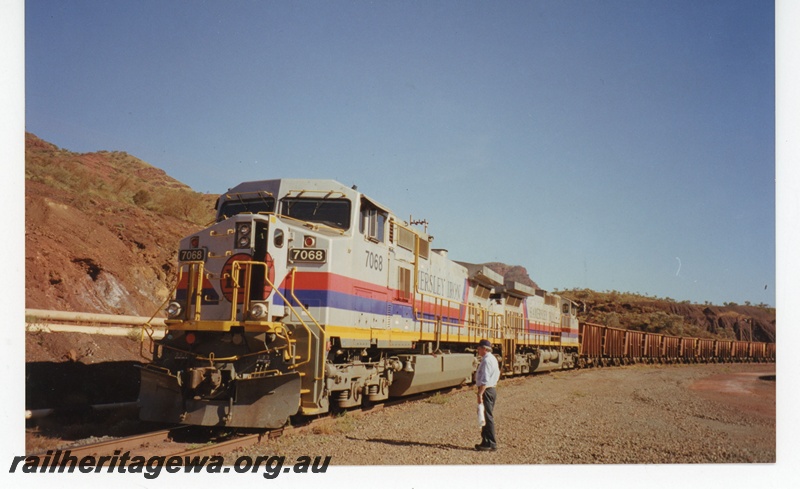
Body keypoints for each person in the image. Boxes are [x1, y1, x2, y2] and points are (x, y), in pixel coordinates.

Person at [474, 339, 499, 451]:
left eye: (479, 348)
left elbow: (485, 379)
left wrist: (480, 394)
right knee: (485, 416)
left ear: (484, 348)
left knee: (487, 417)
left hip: (487, 391)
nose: (477, 350)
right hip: (490, 390)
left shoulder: (487, 360)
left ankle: (491, 443)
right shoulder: (491, 358)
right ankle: (485, 442)